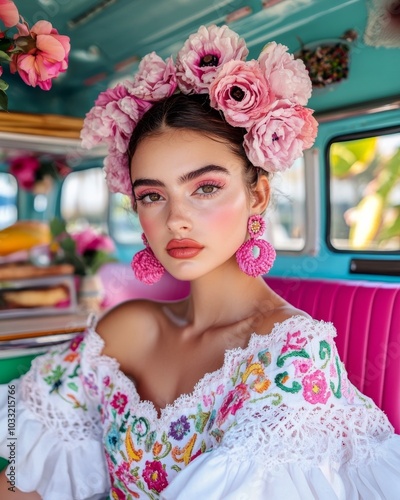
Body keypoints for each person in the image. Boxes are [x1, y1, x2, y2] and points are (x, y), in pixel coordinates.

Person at [1, 24, 399, 500]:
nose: (176, 219)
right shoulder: (125, 327)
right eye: (152, 195)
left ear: (258, 195)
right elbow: (21, 461)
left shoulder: (291, 358)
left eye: (205, 187)